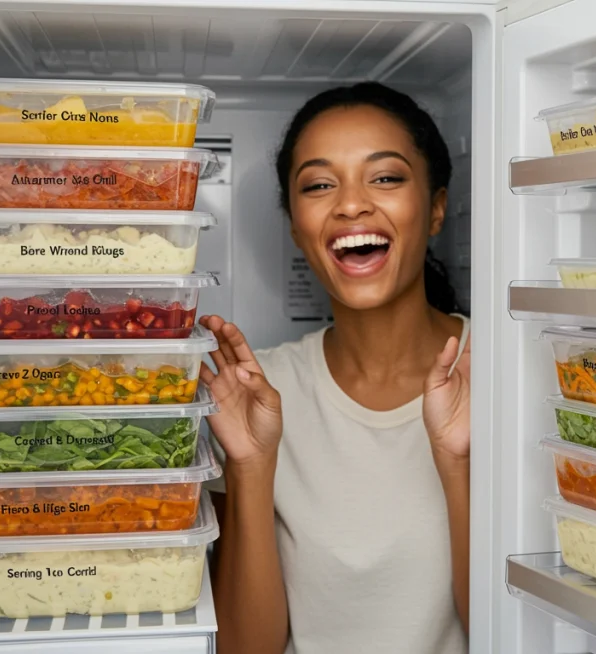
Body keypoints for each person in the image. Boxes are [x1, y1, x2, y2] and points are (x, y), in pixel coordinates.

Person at [199, 82, 471, 654]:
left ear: (437, 208)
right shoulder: (257, 393)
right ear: (296, 227)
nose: (350, 205)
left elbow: (517, 632)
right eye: (320, 185)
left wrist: (457, 462)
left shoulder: (499, 372)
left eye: (385, 178)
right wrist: (250, 465)